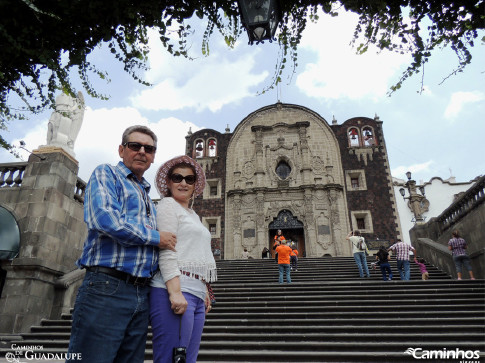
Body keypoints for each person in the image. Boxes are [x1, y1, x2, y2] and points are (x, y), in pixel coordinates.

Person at [67, 125, 177, 363]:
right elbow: (105, 220)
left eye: (149, 148)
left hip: (141, 291)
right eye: (134, 146)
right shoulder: (107, 174)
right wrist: (158, 237)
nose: (142, 152)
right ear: (121, 150)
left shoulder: (147, 195)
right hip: (107, 286)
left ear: (153, 156)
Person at [150, 155, 217, 363]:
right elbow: (167, 249)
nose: (183, 183)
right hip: (174, 289)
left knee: (188, 359)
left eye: (189, 179)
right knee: (172, 358)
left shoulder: (193, 215)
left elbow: (195, 252)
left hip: (196, 292)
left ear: (195, 185)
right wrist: (175, 292)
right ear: (168, 182)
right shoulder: (168, 205)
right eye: (177, 177)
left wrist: (204, 288)